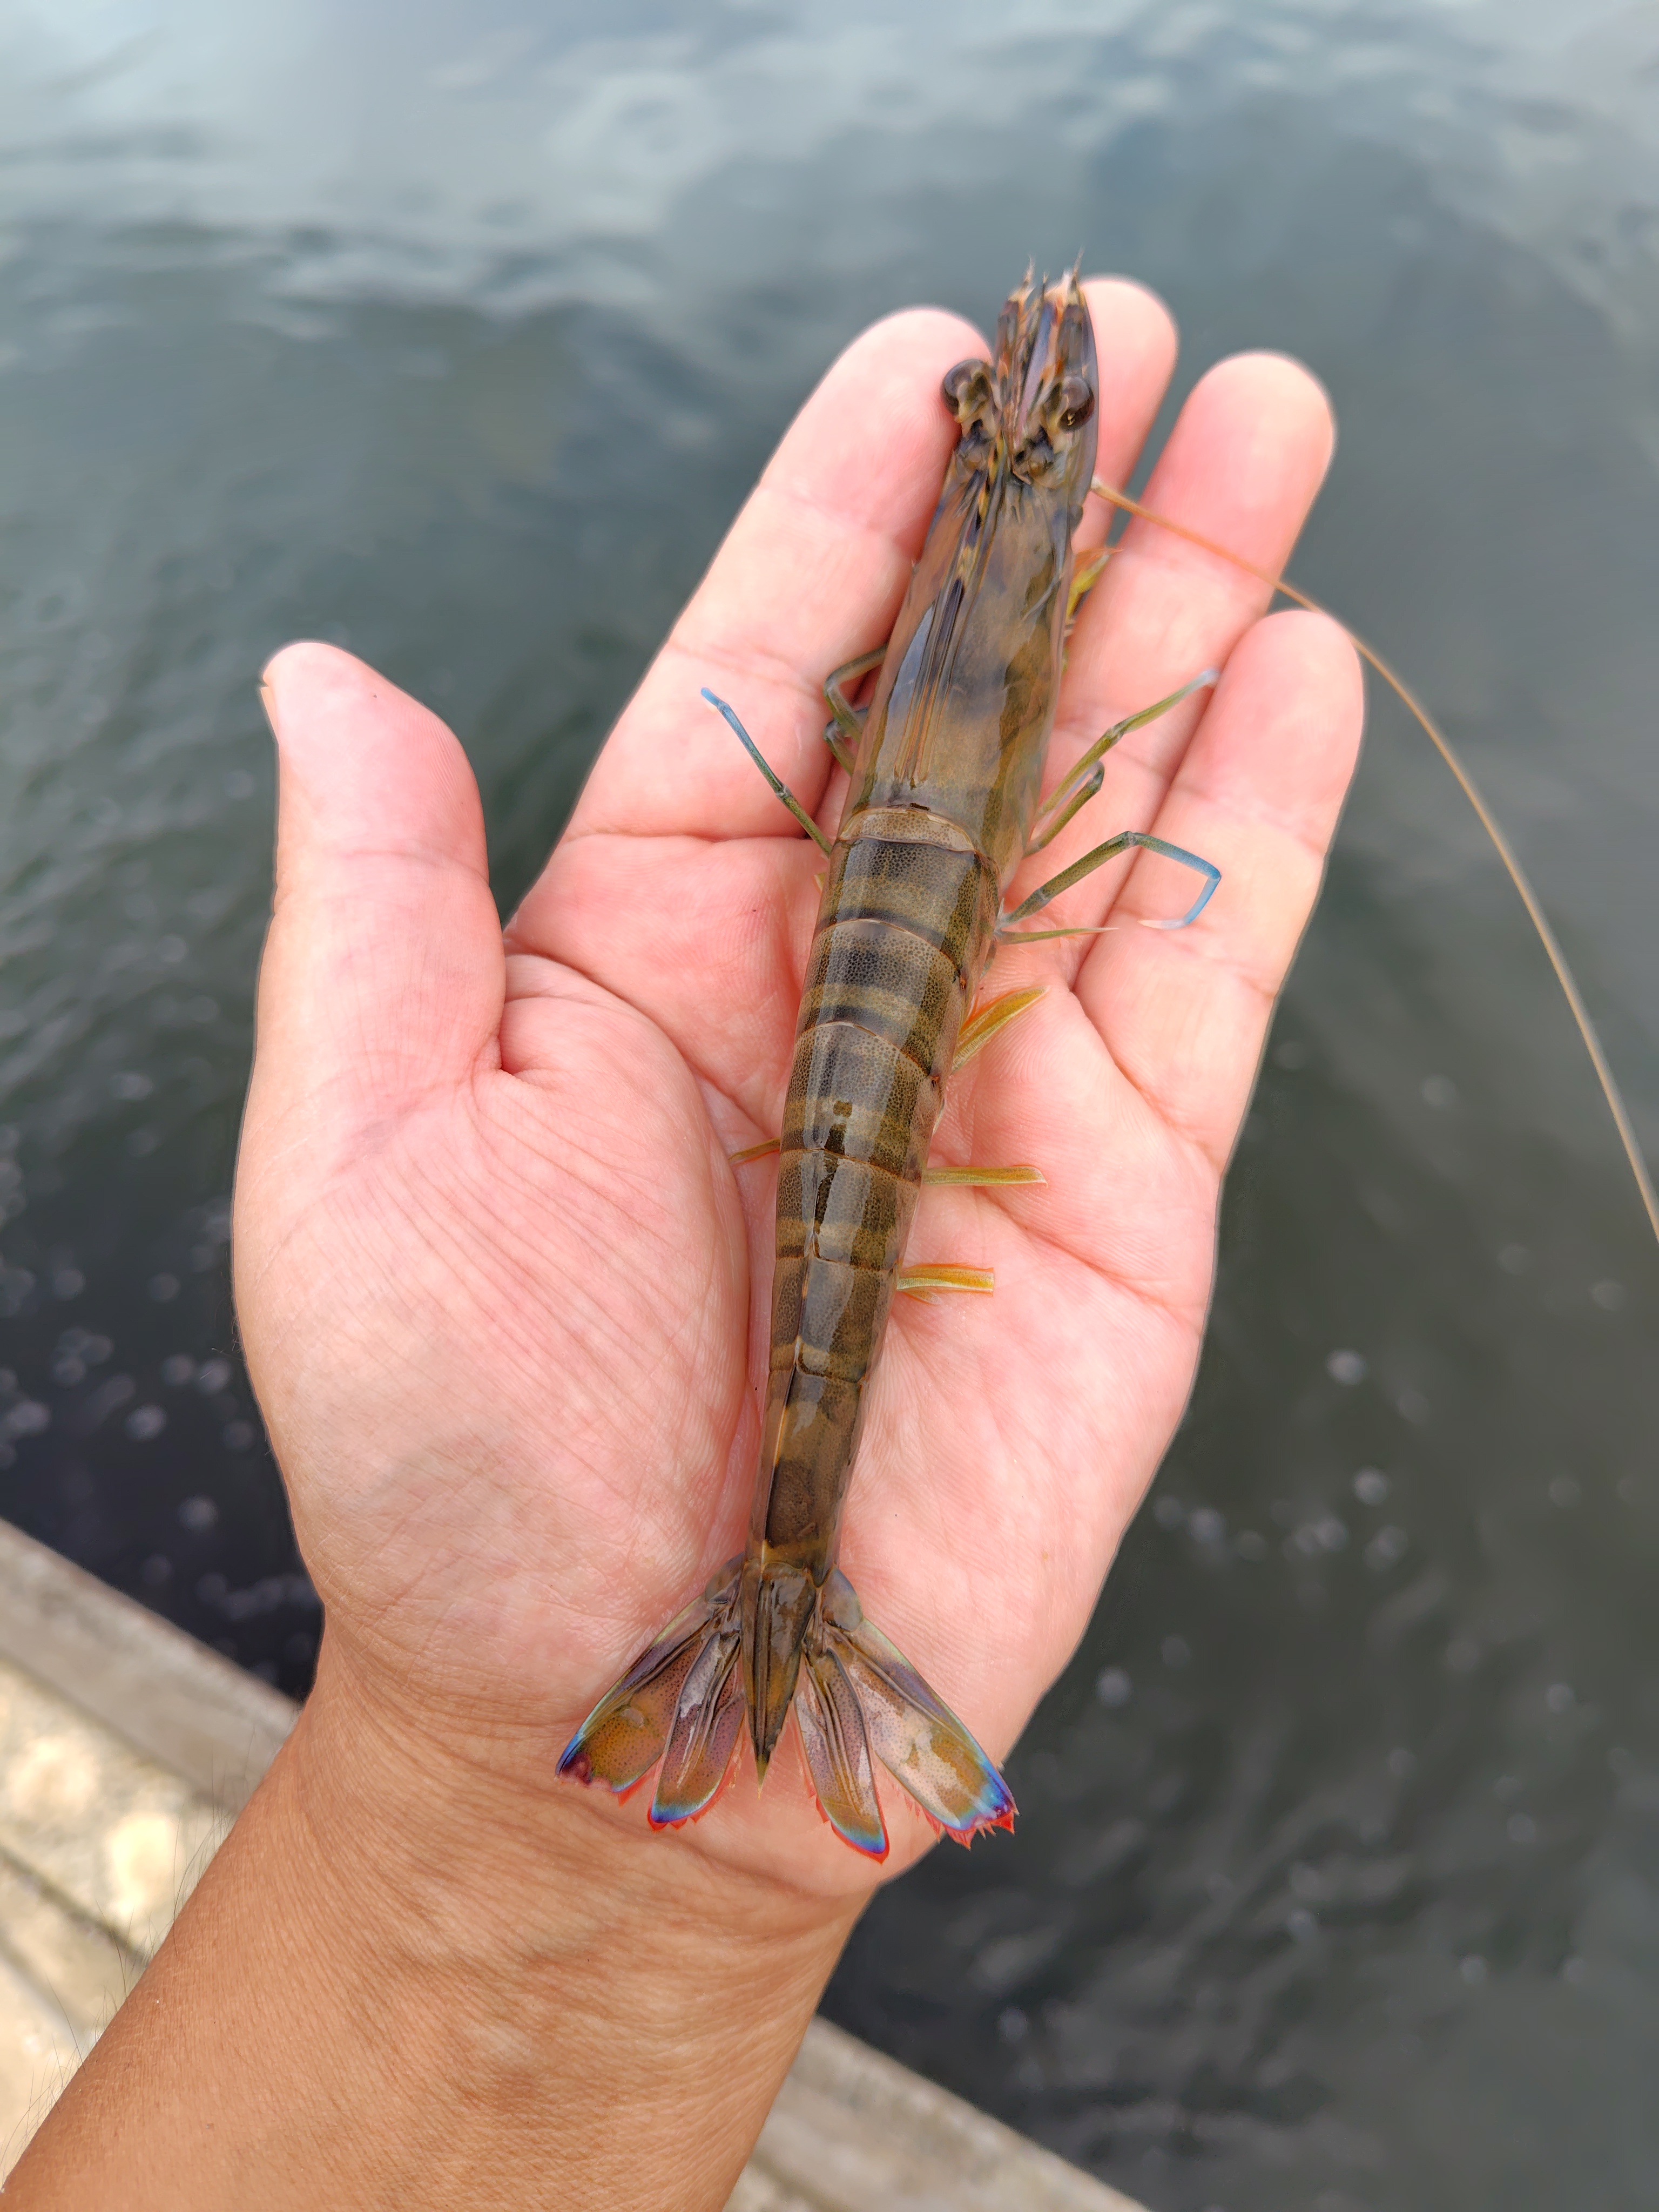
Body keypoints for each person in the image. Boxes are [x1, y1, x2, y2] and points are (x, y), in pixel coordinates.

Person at [8, 278, 1361, 2209]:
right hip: (914, 1026)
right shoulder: (1043, 650)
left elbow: (851, 700)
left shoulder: (903, 644)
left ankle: (767, 1617)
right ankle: (785, 1621)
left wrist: (548, 1867)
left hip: (864, 1042)